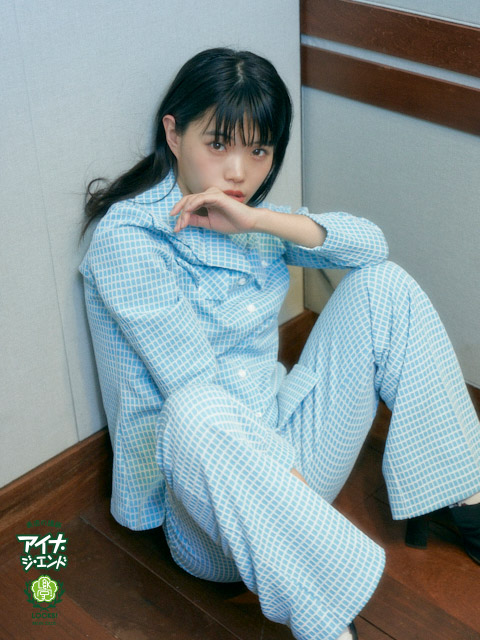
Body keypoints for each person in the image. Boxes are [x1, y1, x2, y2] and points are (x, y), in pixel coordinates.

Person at [79, 48, 480, 640]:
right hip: (214, 509)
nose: (238, 173)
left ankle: (465, 500)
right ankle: (328, 623)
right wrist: (289, 497)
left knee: (385, 286)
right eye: (218, 144)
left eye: (259, 151)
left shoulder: (244, 216)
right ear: (173, 133)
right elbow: (195, 386)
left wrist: (261, 222)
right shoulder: (128, 240)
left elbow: (372, 247)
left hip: (287, 447)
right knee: (194, 408)